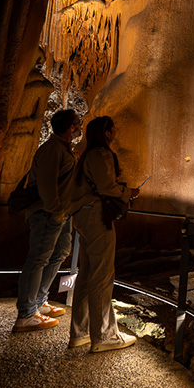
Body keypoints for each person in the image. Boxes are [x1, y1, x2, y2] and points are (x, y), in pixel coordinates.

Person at [68, 116, 140, 352]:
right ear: (107, 133)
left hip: (82, 217)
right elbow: (106, 186)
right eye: (114, 129)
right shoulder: (100, 154)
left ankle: (80, 332)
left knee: (87, 275)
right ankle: (103, 336)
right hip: (96, 217)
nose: (116, 132)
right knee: (102, 276)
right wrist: (127, 191)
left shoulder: (86, 156)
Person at [13, 109, 82, 332]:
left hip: (61, 212)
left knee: (60, 253)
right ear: (71, 126)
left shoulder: (63, 150)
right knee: (38, 259)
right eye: (78, 124)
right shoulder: (52, 149)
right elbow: (46, 184)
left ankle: (39, 302)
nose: (80, 127)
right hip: (47, 213)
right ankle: (25, 314)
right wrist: (56, 211)